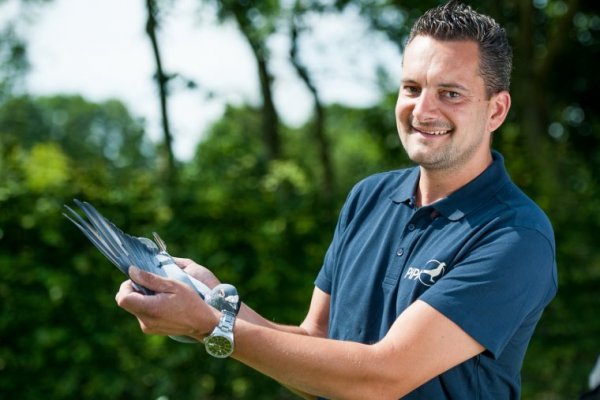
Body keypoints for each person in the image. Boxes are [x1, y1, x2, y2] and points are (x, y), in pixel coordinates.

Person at [115, 1, 558, 398]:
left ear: (496, 110)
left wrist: (211, 326)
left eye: (451, 93)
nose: (423, 110)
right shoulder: (369, 197)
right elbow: (316, 348)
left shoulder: (515, 235)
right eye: (411, 88)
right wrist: (214, 303)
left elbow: (382, 378)